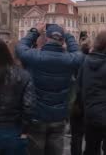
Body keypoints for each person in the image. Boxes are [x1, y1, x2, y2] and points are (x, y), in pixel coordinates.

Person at [15, 23, 84, 155]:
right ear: (62, 41)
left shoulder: (35, 56)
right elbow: (78, 52)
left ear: (46, 38)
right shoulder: (70, 59)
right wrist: (68, 35)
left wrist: (34, 31)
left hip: (37, 116)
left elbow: (20, 47)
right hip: (58, 117)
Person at [69, 41, 91, 155]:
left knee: (76, 136)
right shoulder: (92, 63)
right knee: (90, 137)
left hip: (76, 103)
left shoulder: (74, 62)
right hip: (89, 103)